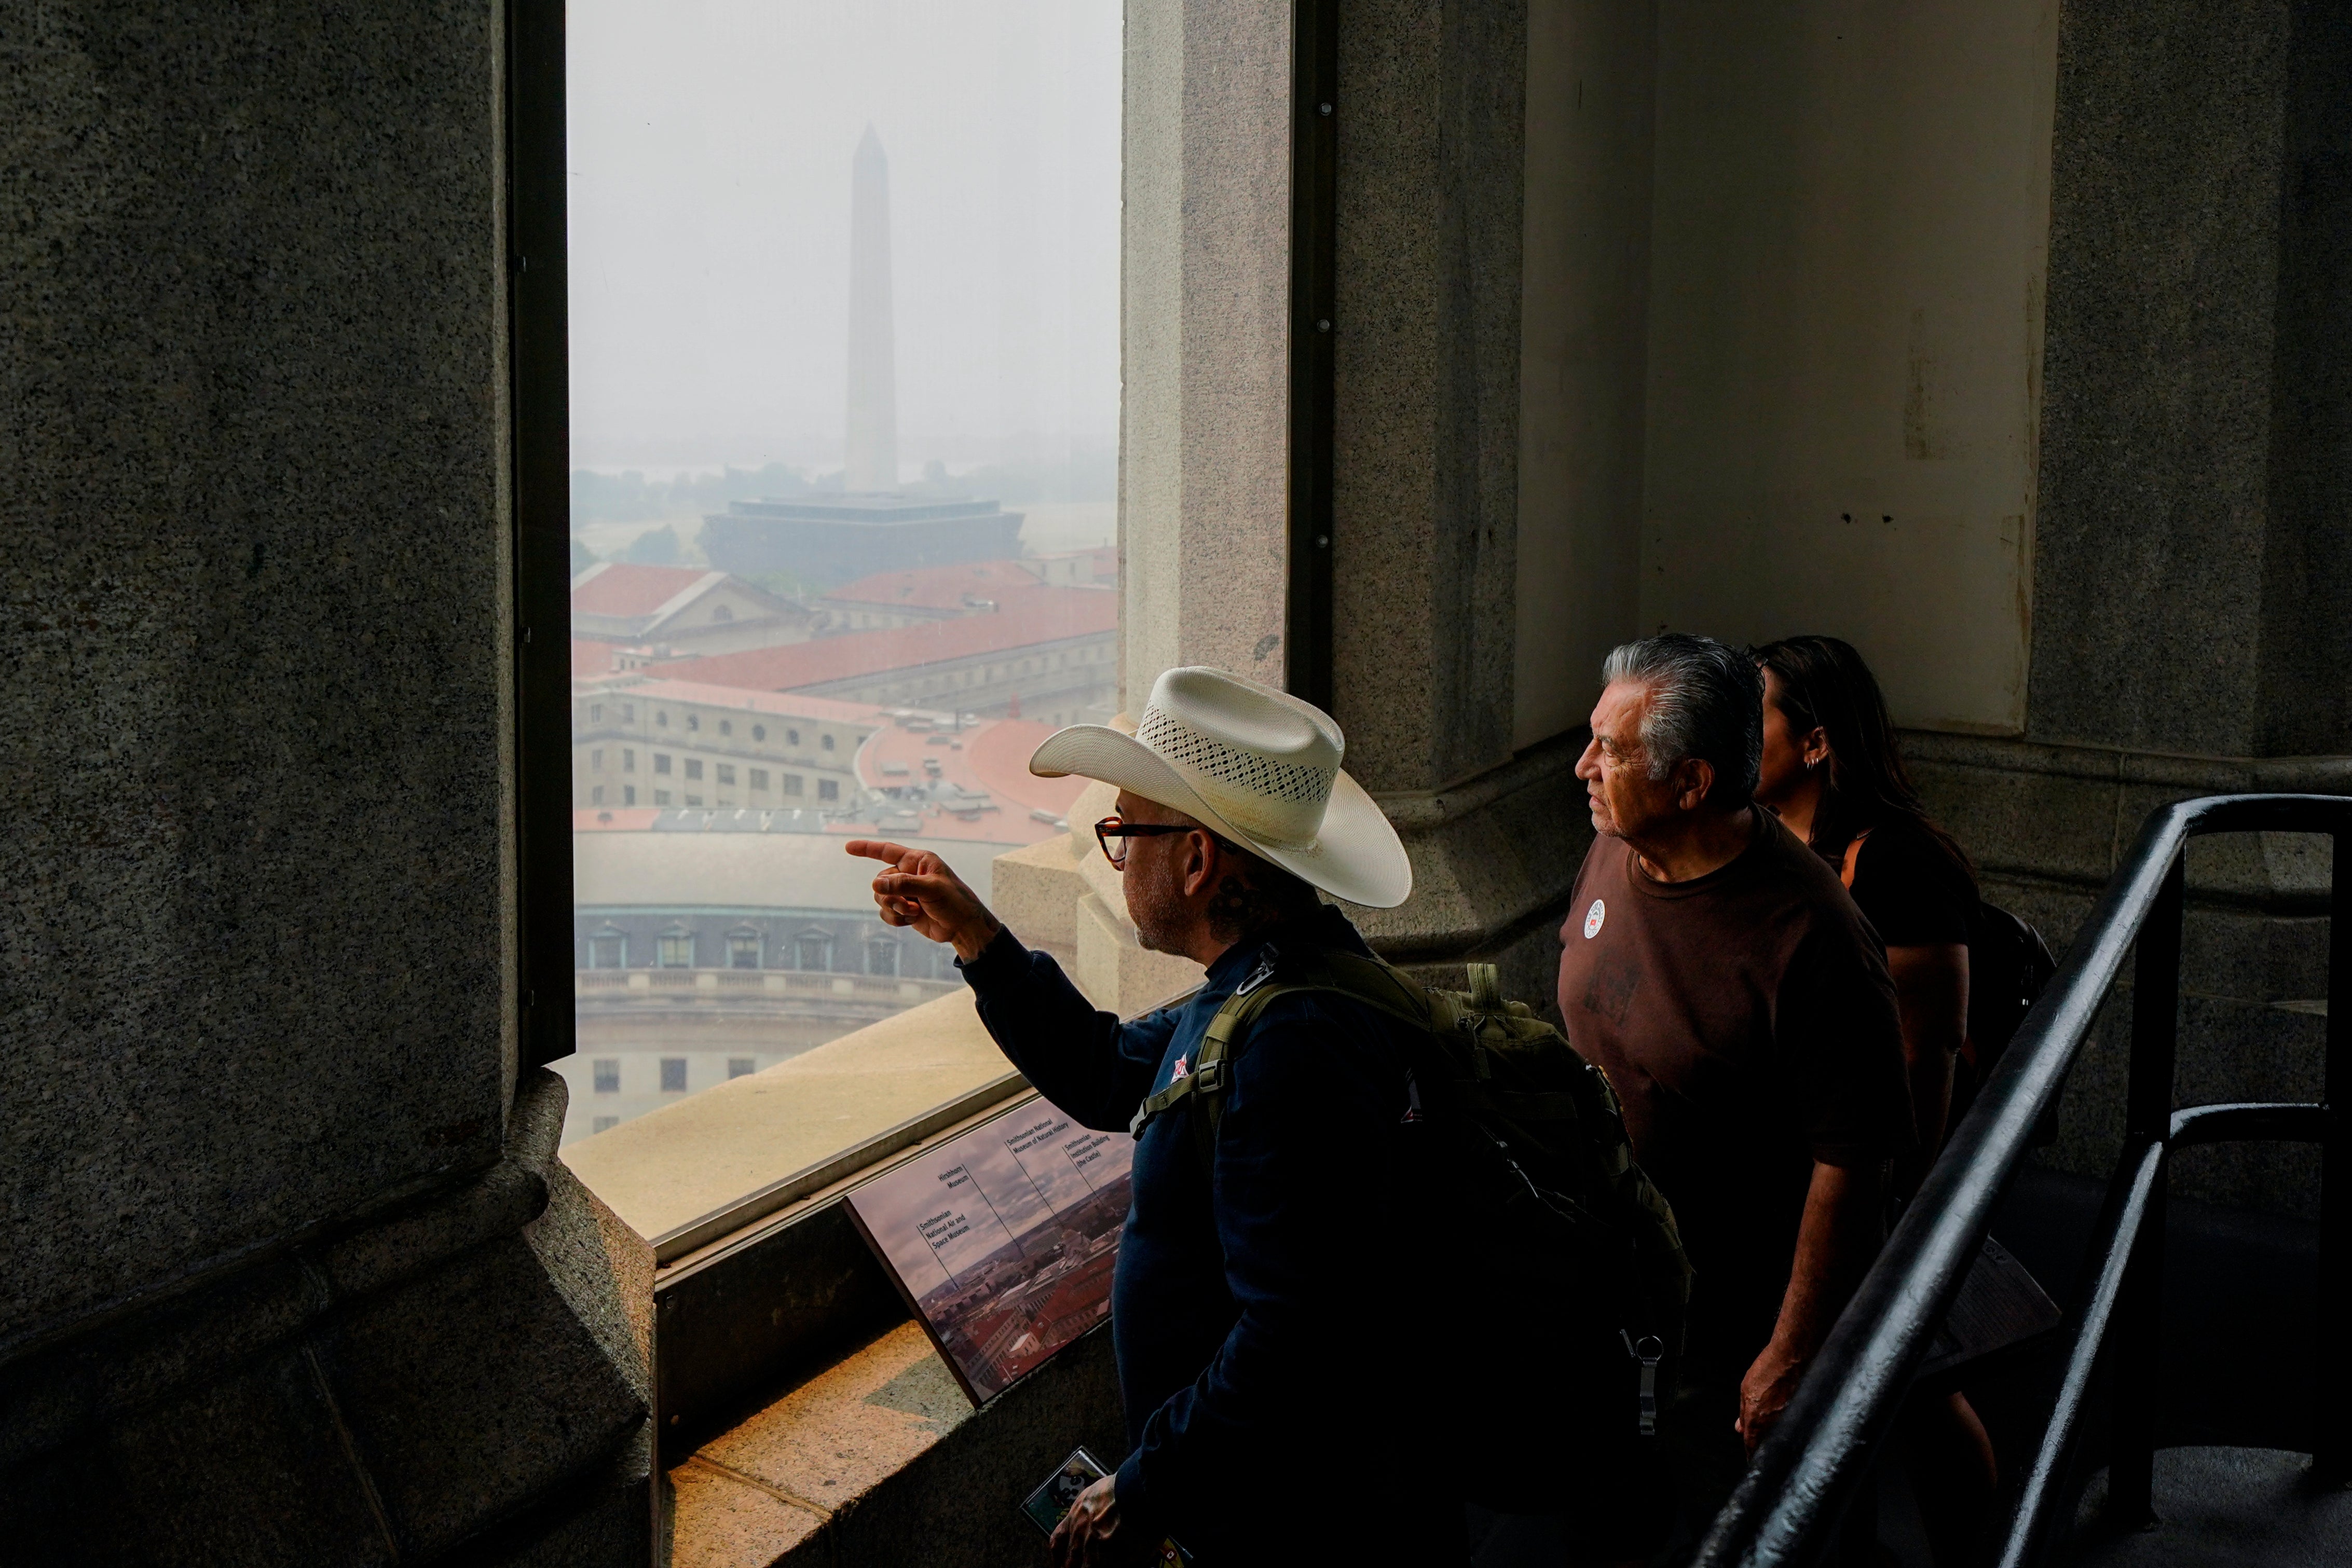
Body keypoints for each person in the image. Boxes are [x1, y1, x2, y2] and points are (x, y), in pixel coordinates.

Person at [849, 666, 1463, 1567]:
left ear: (1197, 859)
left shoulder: (1289, 1045)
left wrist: (1141, 1488)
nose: (1117, 853)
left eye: (1122, 830)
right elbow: (1111, 1072)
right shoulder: (1281, 981)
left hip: (1292, 1520)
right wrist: (978, 937)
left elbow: (1292, 1333)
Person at [1554, 634, 1915, 1556]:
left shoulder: (1817, 941)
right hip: (1612, 1285)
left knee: (1750, 1531)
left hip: (1729, 1324)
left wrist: (1789, 1351)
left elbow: (1855, 1161)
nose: (1584, 766)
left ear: (1693, 784)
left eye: (1614, 750)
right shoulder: (1615, 847)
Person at [1751, 634, 2000, 1568]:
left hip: (1889, 1163)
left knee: (1912, 1384)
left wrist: (1901, 1214)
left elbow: (1926, 1054)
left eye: (1756, 715)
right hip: (1810, 1142)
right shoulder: (1767, 841)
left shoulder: (1897, 864)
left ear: (1815, 743)